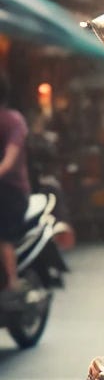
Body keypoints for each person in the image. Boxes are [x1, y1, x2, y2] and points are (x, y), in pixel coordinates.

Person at [0, 74, 30, 300]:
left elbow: (9, 160)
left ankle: (12, 282)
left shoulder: (13, 120)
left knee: (4, 236)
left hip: (11, 191)